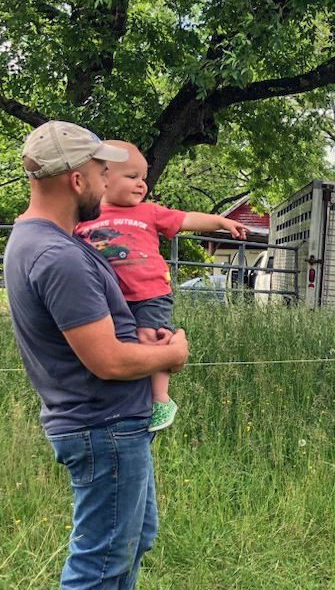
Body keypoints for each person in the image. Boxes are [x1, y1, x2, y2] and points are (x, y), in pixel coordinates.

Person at [4, 120, 189, 590]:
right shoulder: (59, 256)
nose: (108, 180)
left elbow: (107, 335)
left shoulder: (43, 241)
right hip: (102, 424)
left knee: (133, 539)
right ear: (77, 177)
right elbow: (107, 360)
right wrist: (169, 354)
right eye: (100, 170)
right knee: (103, 552)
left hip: (109, 420)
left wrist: (144, 335)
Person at [75, 141, 247, 431]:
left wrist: (220, 221)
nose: (141, 184)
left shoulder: (149, 212)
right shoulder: (85, 218)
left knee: (150, 337)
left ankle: (160, 400)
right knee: (109, 343)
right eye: (132, 177)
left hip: (150, 294)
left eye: (143, 178)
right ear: (103, 178)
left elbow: (186, 219)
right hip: (108, 296)